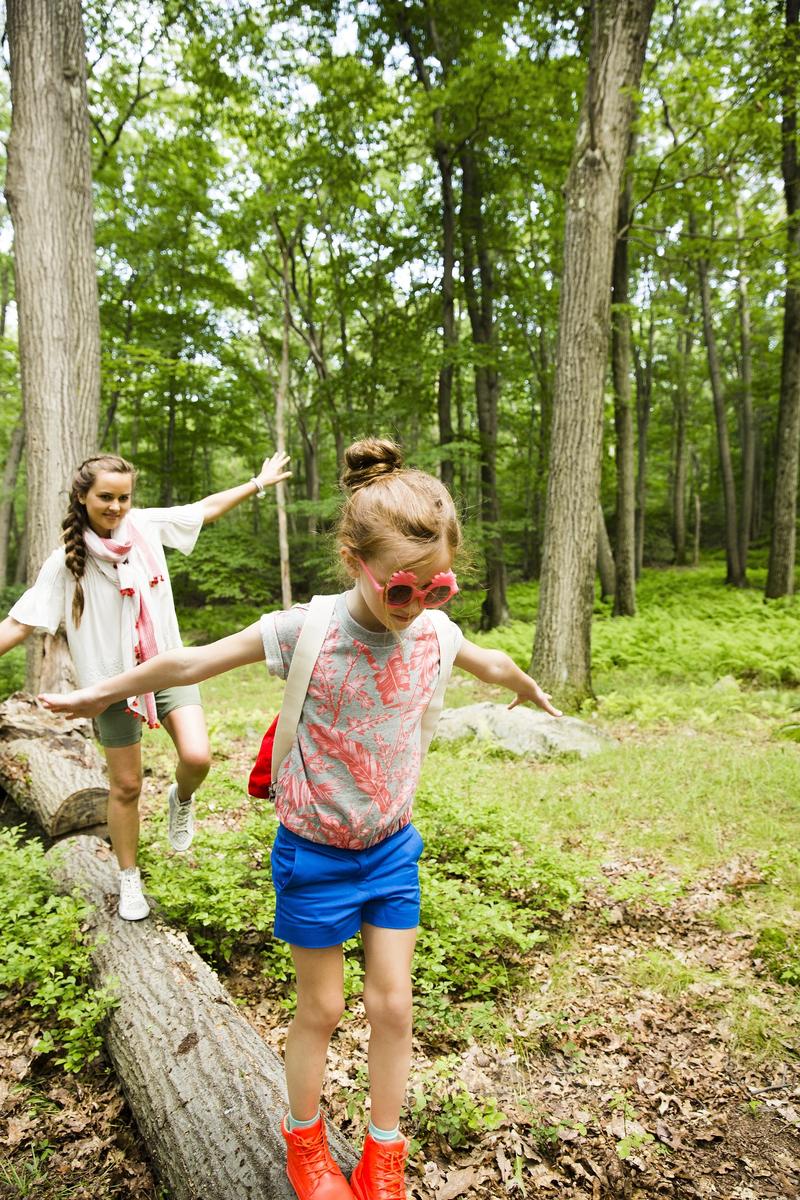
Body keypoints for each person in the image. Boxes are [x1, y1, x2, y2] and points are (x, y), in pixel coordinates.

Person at [39, 437, 561, 1200]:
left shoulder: (435, 629)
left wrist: (525, 685)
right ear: (355, 560)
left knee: (394, 1004)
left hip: (391, 849)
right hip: (314, 853)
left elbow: (485, 658)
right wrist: (96, 694)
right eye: (402, 591)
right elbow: (189, 663)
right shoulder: (306, 630)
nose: (417, 609)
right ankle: (304, 1143)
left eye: (437, 589)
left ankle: (385, 1150)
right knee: (322, 1006)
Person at [0, 449, 290, 921]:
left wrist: (257, 483)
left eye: (124, 498)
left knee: (197, 757)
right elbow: (18, 624)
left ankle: (182, 798)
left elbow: (205, 509)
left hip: (168, 668)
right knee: (127, 786)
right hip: (109, 685)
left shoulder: (147, 529)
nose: (116, 507)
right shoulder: (65, 563)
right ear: (82, 497)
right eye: (105, 498)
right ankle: (128, 878)